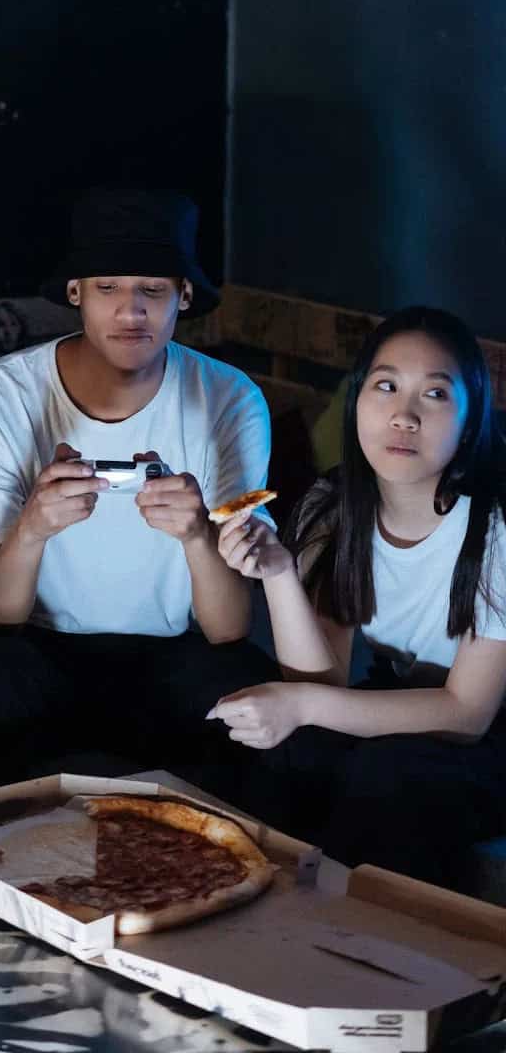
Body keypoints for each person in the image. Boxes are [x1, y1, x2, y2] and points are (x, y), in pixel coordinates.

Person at [0, 187, 277, 792]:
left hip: (172, 656)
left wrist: (198, 536)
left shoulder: (230, 398)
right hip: (39, 650)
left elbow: (228, 630)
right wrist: (34, 528)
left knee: (244, 693)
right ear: (76, 294)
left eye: (152, 290)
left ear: (185, 297)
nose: (130, 312)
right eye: (108, 288)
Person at [209, 306, 506, 888]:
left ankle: (378, 952)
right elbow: (322, 684)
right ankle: (247, 919)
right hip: (412, 704)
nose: (404, 415)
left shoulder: (494, 527)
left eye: (436, 395)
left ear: (470, 423)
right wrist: (278, 573)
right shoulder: (335, 505)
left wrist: (299, 706)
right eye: (387, 386)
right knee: (289, 749)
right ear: (358, 401)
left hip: (494, 731)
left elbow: (467, 716)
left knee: (385, 771)